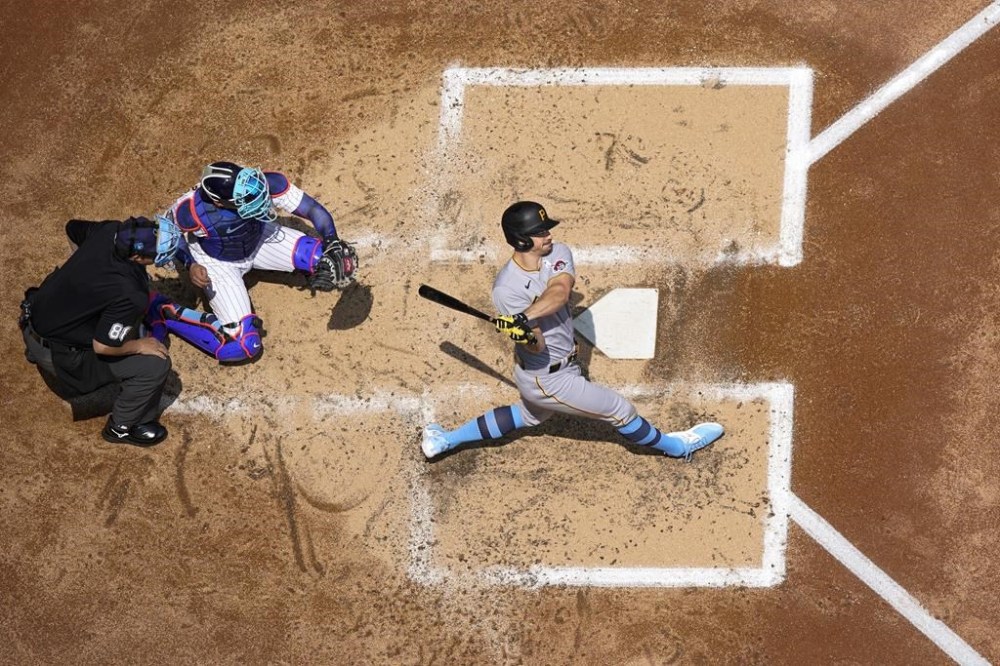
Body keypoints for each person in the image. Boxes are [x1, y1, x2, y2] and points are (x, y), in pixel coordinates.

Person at [421, 201, 724, 460]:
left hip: (556, 367)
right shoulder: (507, 290)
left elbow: (560, 290)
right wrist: (522, 334)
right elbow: (536, 347)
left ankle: (445, 439)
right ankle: (675, 446)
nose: (548, 235)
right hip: (548, 378)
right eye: (539, 233)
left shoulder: (556, 252)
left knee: (528, 416)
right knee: (620, 410)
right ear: (522, 240)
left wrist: (524, 317)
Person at [149, 161, 359, 363]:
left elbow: (313, 209)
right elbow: (169, 235)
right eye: (244, 200)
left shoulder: (261, 184)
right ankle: (167, 312)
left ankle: (306, 263)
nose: (257, 198)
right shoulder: (191, 210)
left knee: (335, 260)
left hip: (259, 239)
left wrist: (332, 242)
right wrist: (190, 264)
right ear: (219, 202)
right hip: (218, 263)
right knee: (242, 345)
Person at [19, 216, 181, 446]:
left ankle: (35, 350)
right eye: (154, 255)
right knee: (156, 364)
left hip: (34, 316)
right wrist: (140, 345)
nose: (157, 258)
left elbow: (71, 227)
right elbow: (103, 347)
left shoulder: (109, 230)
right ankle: (123, 427)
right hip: (61, 356)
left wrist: (86, 277)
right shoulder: (130, 293)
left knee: (124, 316)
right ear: (136, 256)